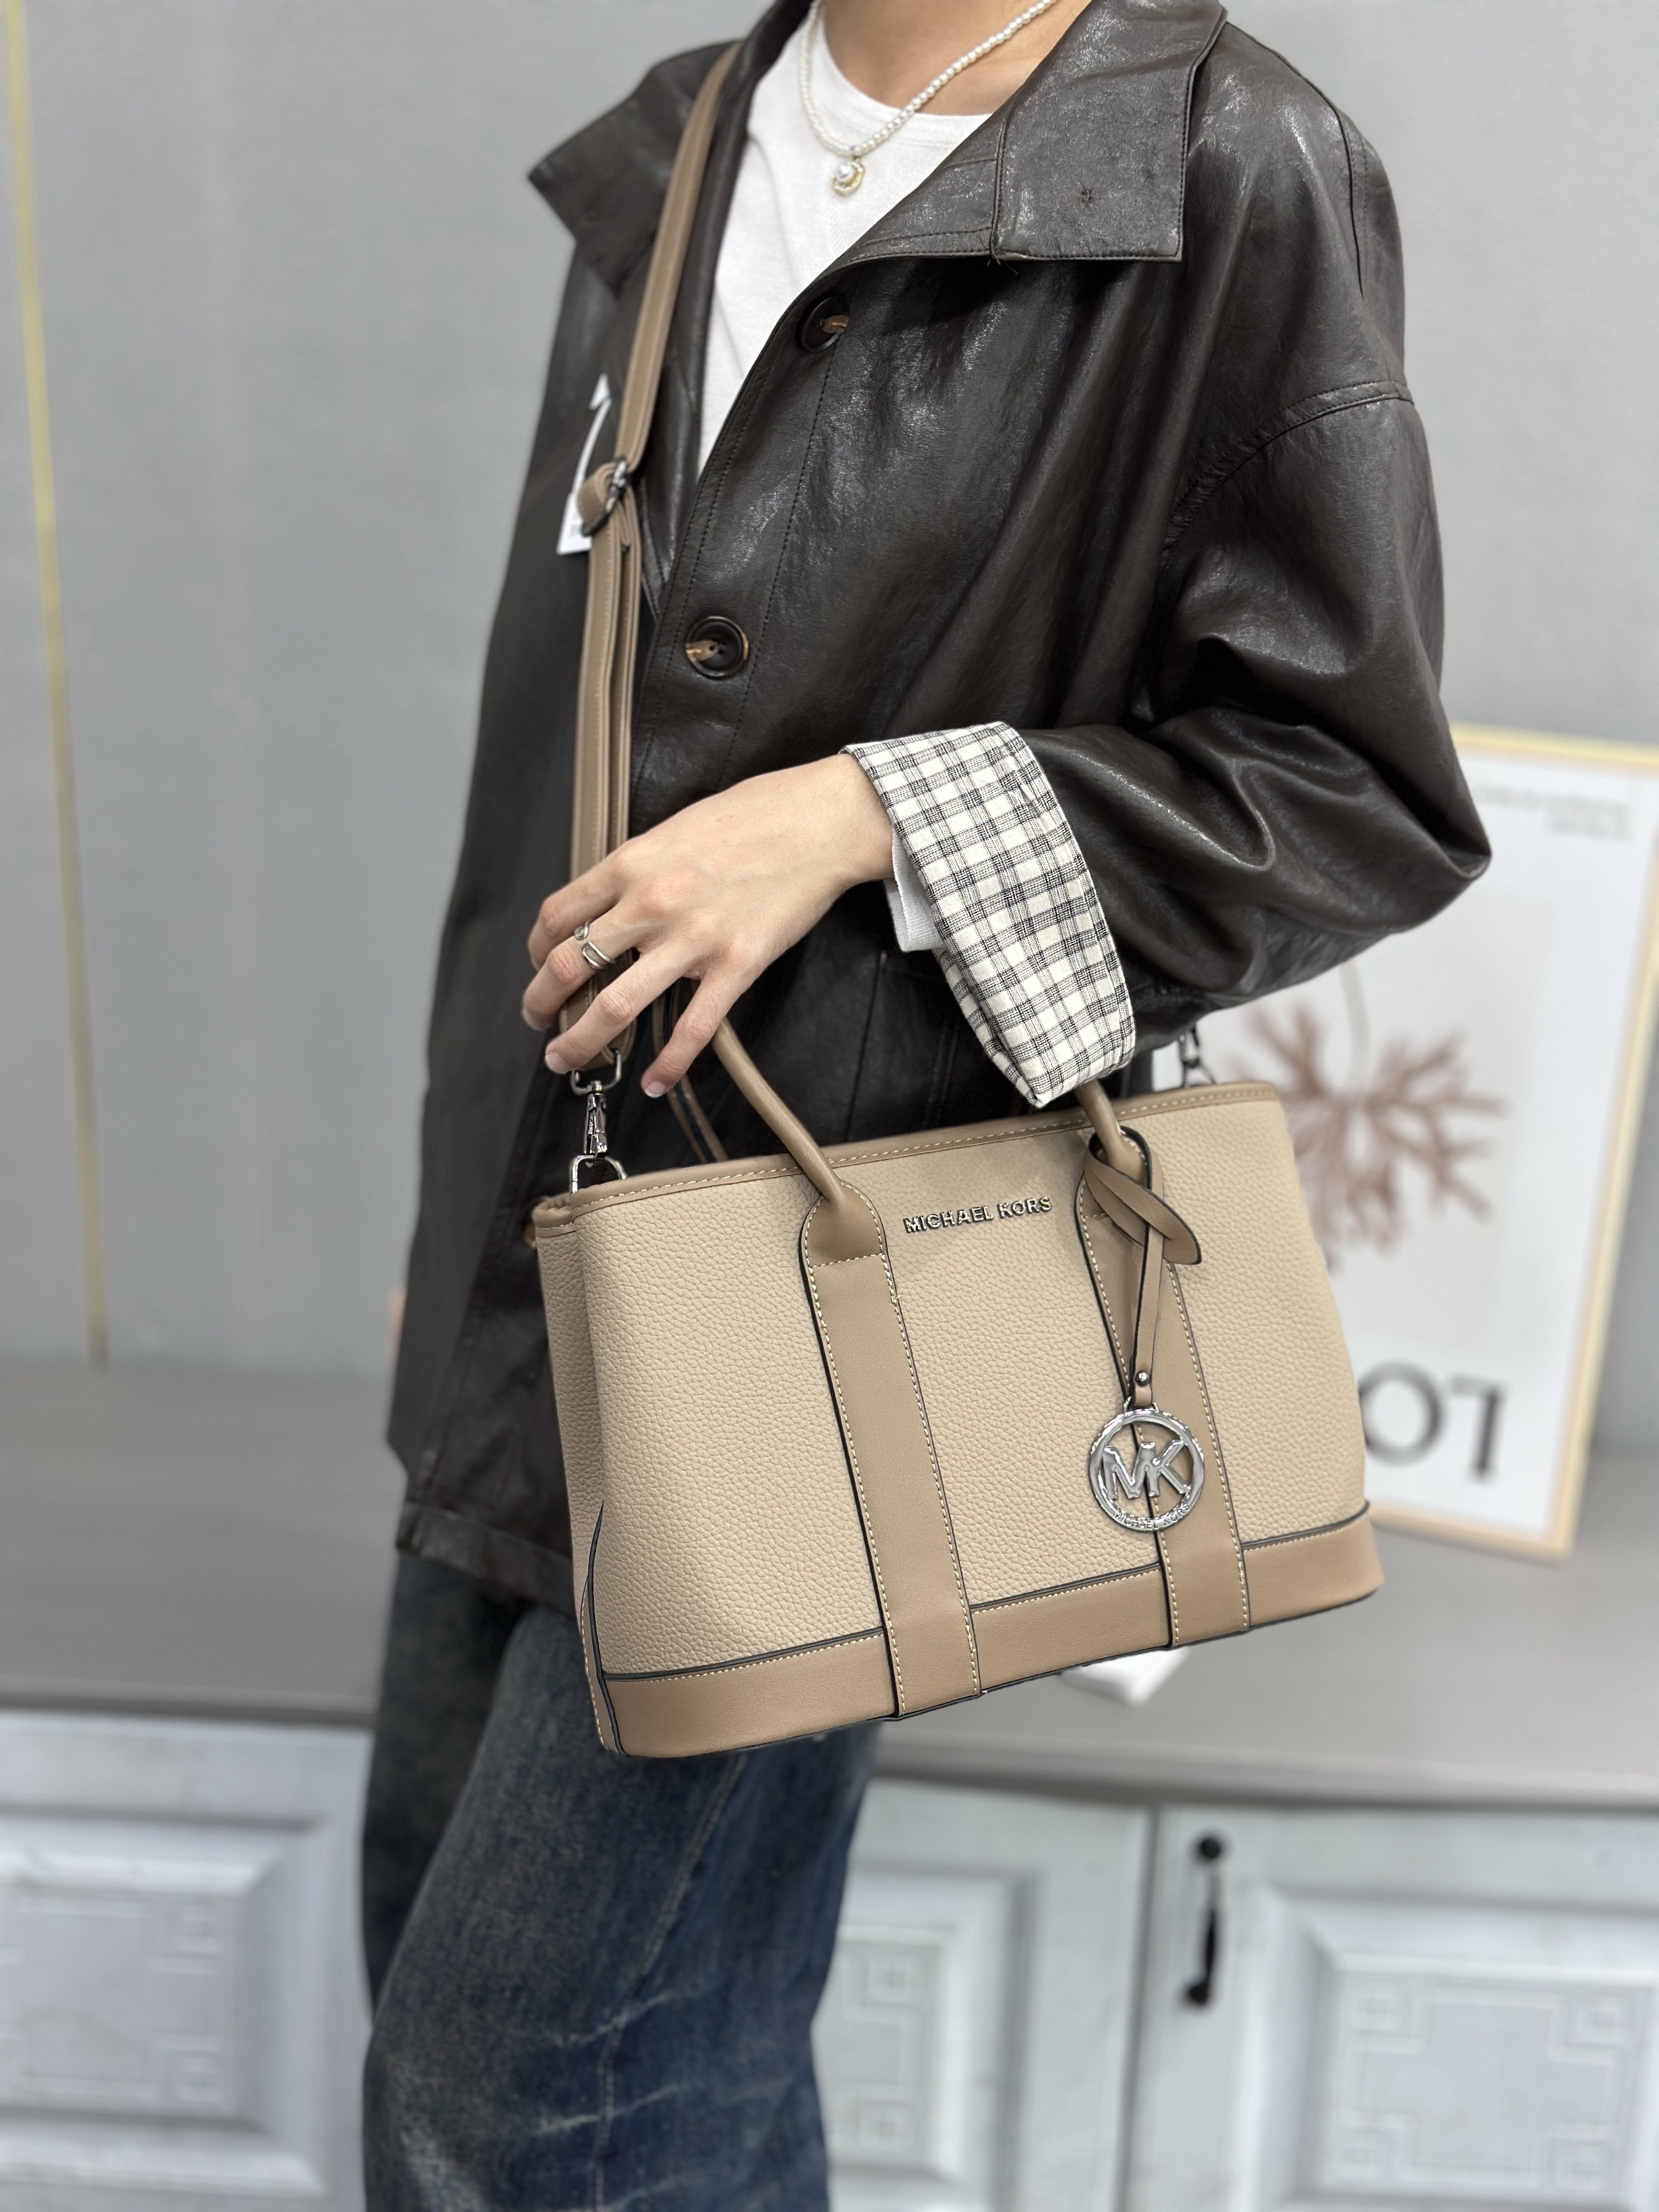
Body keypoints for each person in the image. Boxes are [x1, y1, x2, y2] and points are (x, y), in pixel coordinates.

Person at [362, 0, 1488, 2202]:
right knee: (494, 2007)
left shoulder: (1226, 164)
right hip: (543, 1262)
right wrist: (455, 1223)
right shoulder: (697, 137)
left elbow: (1353, 794)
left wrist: (868, 814)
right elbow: (558, 756)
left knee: (528, 2092)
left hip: (829, 1313)